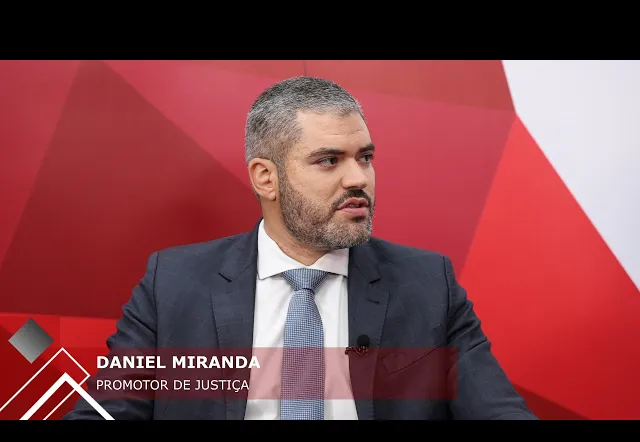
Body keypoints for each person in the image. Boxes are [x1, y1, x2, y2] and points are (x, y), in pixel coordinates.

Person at [63, 76, 538, 420]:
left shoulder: (427, 285)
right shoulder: (173, 284)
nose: (358, 178)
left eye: (365, 157)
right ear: (265, 178)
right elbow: (104, 412)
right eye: (329, 161)